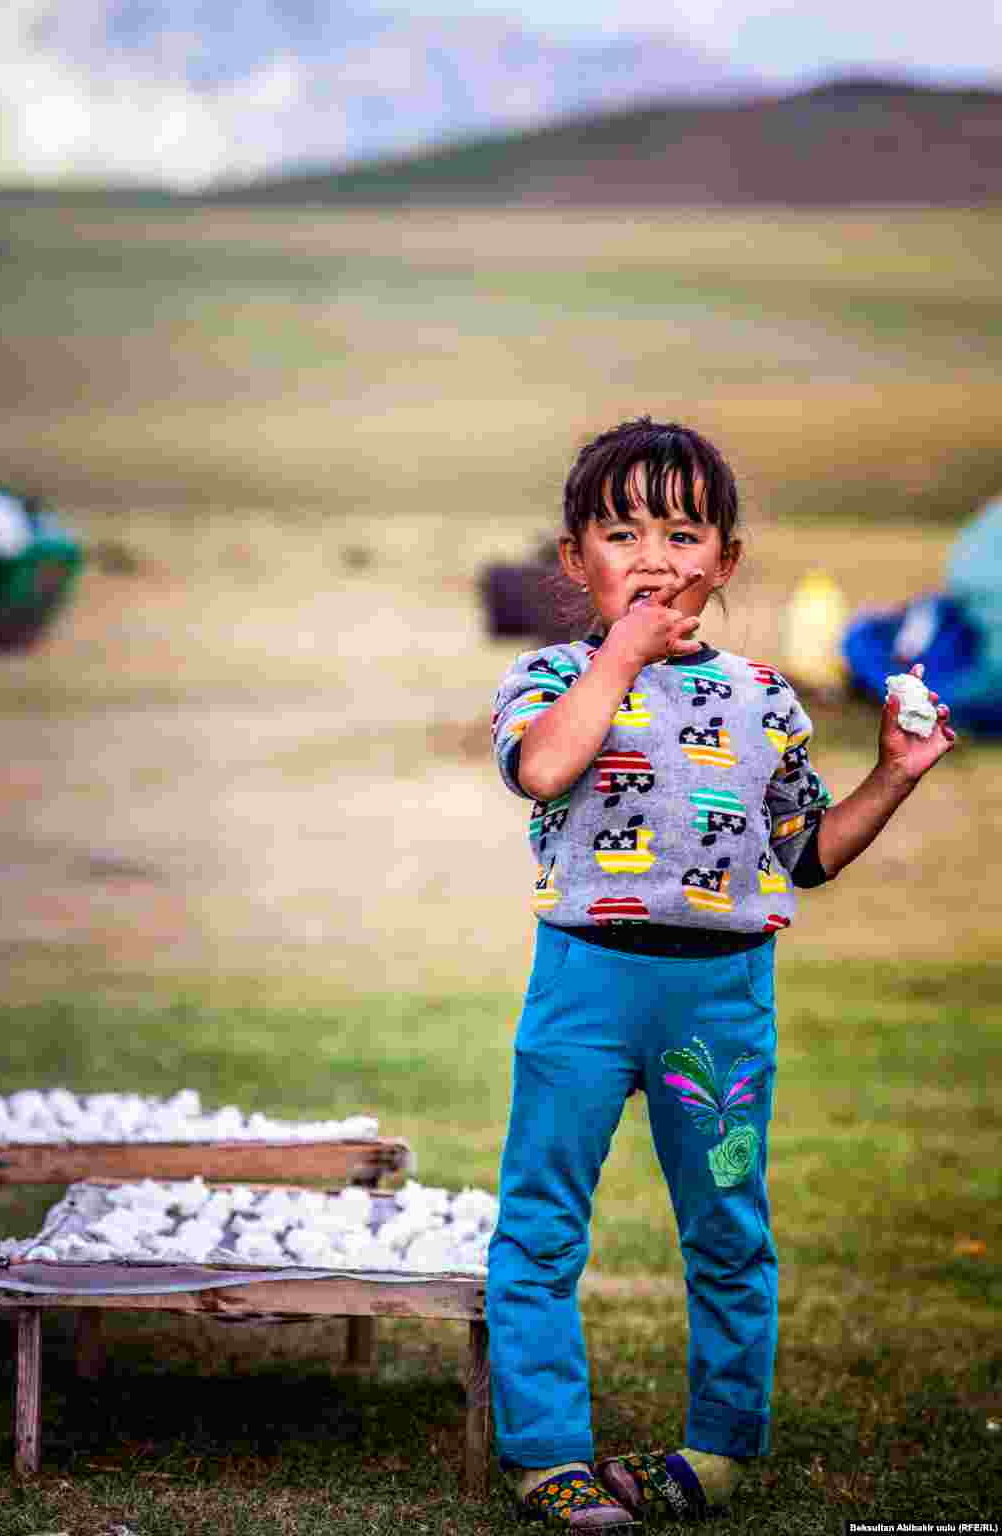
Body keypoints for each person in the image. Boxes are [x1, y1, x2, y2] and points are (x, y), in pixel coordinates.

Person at [487, 417, 955, 1530]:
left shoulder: (764, 697)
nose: (652, 557)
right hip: (584, 988)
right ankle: (545, 1452)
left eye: (682, 531)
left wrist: (893, 774)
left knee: (728, 1228)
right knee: (543, 1223)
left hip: (722, 998)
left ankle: (718, 1446)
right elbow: (545, 765)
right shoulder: (550, 675)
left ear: (725, 560)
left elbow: (804, 855)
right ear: (573, 561)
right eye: (619, 531)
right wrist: (620, 655)